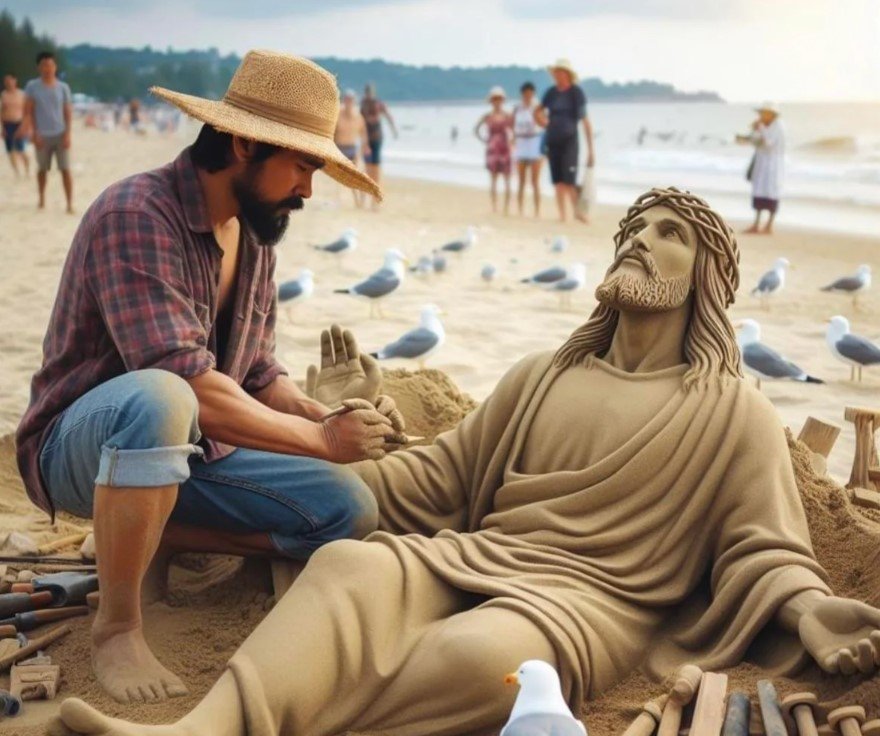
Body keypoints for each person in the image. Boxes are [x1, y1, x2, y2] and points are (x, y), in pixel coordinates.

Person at [56, 187, 880, 736]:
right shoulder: (542, 375)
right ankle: (209, 728)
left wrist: (809, 610)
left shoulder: (731, 411)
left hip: (587, 597)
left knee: (482, 659)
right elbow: (441, 478)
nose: (638, 241)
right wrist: (320, 463)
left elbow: (760, 546)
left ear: (708, 278)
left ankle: (312, 714)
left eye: (669, 235)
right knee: (349, 566)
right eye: (632, 228)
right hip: (477, 552)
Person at [16, 50, 405, 707]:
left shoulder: (256, 236)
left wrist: (331, 419)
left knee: (349, 510)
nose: (309, 189)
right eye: (304, 164)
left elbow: (256, 374)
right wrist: (320, 442)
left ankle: (142, 526)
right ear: (244, 141)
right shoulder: (135, 213)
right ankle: (117, 627)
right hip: (80, 447)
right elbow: (188, 383)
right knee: (163, 395)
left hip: (188, 451)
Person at [535, 58, 595, 223]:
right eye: (555, 72)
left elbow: (585, 121)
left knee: (569, 180)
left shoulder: (576, 93)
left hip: (570, 141)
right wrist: (543, 122)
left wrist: (591, 150)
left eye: (560, 72)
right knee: (558, 181)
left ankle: (578, 212)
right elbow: (537, 111)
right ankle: (563, 216)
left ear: (567, 74)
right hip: (552, 141)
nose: (557, 75)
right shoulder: (551, 93)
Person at [23, 51, 73, 212]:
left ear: (55, 66)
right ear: (39, 67)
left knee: (65, 169)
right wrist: (33, 133)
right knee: (42, 169)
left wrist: (67, 134)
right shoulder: (32, 86)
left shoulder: (63, 87)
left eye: (50, 65)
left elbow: (67, 112)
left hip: (60, 133)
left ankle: (69, 203)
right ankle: (41, 199)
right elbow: (28, 111)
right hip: (41, 135)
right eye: (44, 65)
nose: (47, 68)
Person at [738, 102, 785, 235]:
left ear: (771, 114)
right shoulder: (763, 125)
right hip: (761, 163)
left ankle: (769, 225)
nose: (761, 116)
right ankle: (756, 224)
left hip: (773, 165)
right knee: (758, 193)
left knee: (772, 193)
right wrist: (752, 131)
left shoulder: (778, 127)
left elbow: (769, 143)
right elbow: (755, 140)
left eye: (764, 113)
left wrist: (761, 128)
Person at [474, 85, 513, 215]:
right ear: (491, 101)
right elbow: (476, 129)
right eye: (495, 99)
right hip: (492, 149)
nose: (497, 101)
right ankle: (494, 207)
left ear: (503, 100)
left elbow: (514, 131)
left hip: (504, 148)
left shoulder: (507, 115)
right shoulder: (487, 116)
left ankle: (506, 208)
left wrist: (512, 142)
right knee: (493, 179)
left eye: (499, 99)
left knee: (507, 178)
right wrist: (485, 140)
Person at [360, 82, 397, 210]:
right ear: (366, 92)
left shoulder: (378, 103)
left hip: (376, 139)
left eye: (371, 92)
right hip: (366, 140)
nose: (369, 94)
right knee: (367, 169)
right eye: (368, 92)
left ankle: (374, 200)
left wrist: (394, 130)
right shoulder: (363, 104)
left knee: (375, 169)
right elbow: (360, 121)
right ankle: (365, 199)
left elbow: (388, 116)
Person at [334, 89, 370, 208]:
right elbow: (330, 130)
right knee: (342, 177)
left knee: (358, 176)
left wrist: (363, 148)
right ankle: (341, 200)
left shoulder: (358, 117)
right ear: (344, 100)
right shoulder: (337, 113)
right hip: (339, 148)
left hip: (352, 148)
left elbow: (364, 134)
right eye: (347, 99)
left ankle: (359, 201)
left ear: (354, 101)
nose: (349, 102)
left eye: (351, 100)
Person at [512, 81, 543, 217]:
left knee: (535, 181)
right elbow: (512, 124)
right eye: (525, 93)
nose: (528, 96)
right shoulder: (517, 108)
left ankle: (537, 210)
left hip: (534, 143)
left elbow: (545, 122)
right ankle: (520, 209)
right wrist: (512, 138)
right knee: (521, 181)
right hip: (521, 143)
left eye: (530, 93)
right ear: (522, 94)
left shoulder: (538, 107)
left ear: (533, 94)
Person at [1, 74, 29, 177]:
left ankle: (27, 170)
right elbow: (2, 112)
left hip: (19, 123)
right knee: (10, 151)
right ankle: (16, 172)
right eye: (6, 81)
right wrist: (2, 128)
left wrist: (25, 126)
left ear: (15, 81)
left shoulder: (22, 94)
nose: (8, 83)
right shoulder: (3, 95)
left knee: (21, 149)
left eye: (10, 80)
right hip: (8, 124)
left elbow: (27, 111)